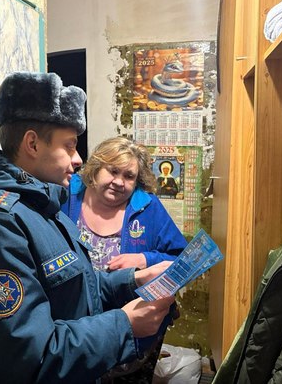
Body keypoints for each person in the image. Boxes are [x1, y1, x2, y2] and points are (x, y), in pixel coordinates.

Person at [0, 71, 176, 384]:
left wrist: (132, 280)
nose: (78, 159)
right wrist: (124, 325)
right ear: (32, 144)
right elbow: (31, 359)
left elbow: (76, 289)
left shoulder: (41, 206)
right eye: (69, 146)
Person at [62, 137, 188, 382]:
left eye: (129, 176)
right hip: (77, 329)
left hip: (134, 334)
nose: (119, 182)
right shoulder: (68, 193)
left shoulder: (148, 207)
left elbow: (181, 259)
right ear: (96, 168)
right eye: (113, 171)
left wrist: (144, 258)